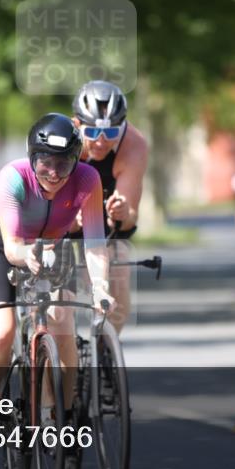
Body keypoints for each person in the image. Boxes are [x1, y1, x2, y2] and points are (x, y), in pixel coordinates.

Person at [0, 113, 115, 415]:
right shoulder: (13, 176)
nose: (53, 173)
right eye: (45, 163)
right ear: (31, 158)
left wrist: (101, 287)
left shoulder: (88, 179)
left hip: (54, 246)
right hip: (4, 247)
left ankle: (62, 411)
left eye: (63, 164)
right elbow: (13, 246)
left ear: (76, 162)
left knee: (62, 323)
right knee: (2, 332)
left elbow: (93, 243)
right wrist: (26, 256)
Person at [66, 80, 149, 332]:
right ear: (77, 124)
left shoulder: (134, 145)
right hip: (66, 213)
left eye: (111, 133)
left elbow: (129, 219)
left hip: (105, 217)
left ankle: (105, 345)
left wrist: (121, 212)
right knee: (62, 286)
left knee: (118, 270)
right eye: (92, 133)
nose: (101, 142)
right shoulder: (63, 137)